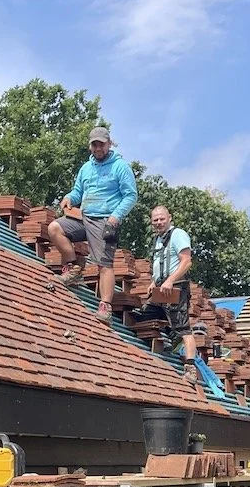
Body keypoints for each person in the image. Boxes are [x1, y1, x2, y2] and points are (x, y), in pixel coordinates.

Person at [47, 126, 138, 323]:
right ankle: (73, 269)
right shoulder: (86, 168)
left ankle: (105, 307)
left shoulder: (120, 166)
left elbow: (131, 195)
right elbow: (78, 191)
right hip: (83, 217)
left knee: (104, 263)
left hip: (105, 219)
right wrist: (69, 198)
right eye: (94, 145)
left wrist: (116, 217)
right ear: (90, 146)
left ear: (109, 144)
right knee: (54, 228)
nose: (98, 148)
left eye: (101, 144)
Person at [132, 205, 198, 381]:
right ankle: (169, 337)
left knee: (183, 327)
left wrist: (170, 280)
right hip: (161, 288)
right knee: (143, 317)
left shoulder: (178, 234)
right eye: (155, 220)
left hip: (175, 287)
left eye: (162, 219)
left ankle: (190, 368)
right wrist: (154, 282)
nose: (159, 222)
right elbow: (161, 264)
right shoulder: (158, 240)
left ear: (169, 218)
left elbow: (186, 261)